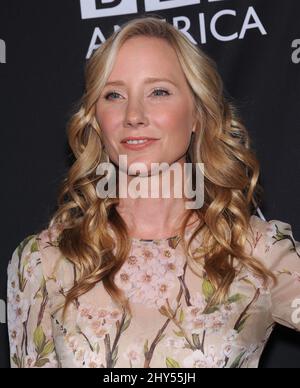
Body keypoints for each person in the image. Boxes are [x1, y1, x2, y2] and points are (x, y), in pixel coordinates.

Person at [7, 16, 300, 368]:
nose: (134, 115)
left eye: (158, 92)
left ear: (196, 115)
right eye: (114, 94)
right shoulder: (46, 261)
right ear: (96, 120)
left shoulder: (255, 251)